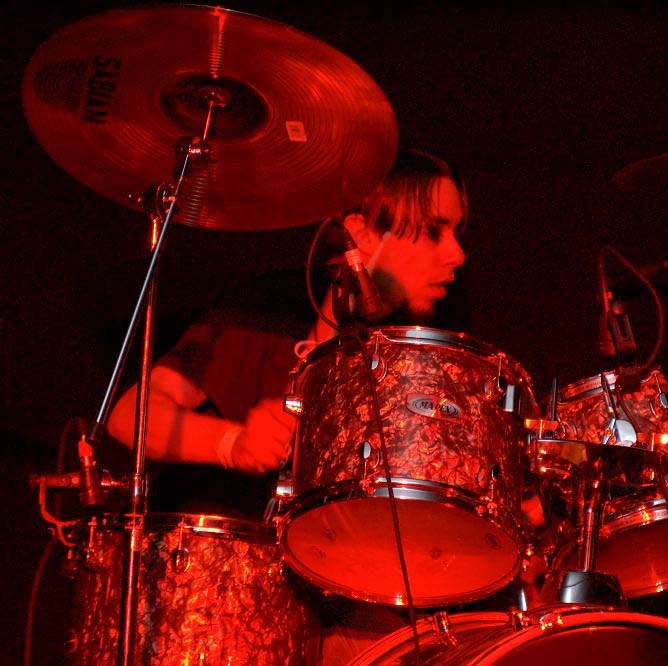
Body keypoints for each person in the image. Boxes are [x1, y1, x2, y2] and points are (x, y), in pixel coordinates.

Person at [106, 148, 469, 664]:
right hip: (223, 590)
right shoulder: (270, 309)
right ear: (360, 233)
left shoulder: (433, 352)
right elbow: (130, 416)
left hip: (354, 590)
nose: (457, 254)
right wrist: (232, 443)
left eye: (456, 233)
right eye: (434, 231)